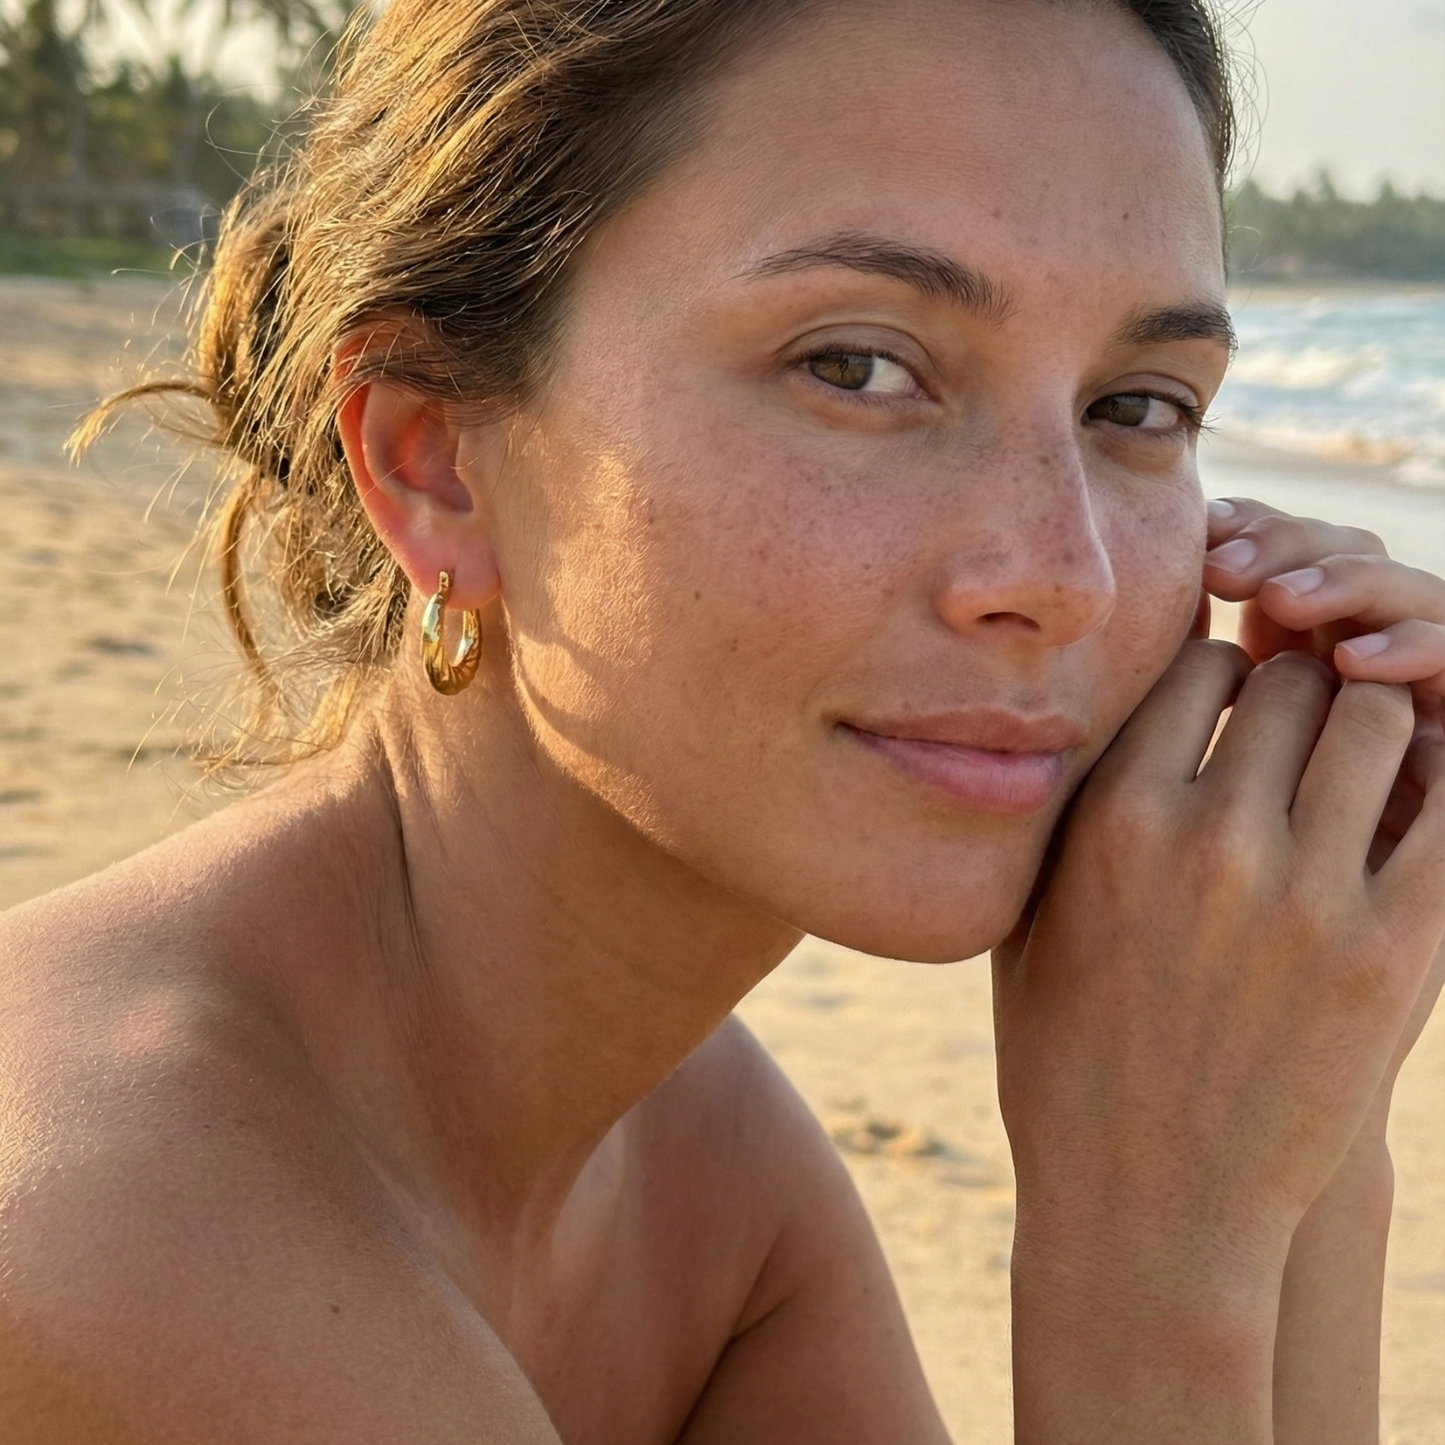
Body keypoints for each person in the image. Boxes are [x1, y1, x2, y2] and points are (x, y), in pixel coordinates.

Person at [1, 0, 1442, 1440]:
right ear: (434, 459)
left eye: (1138, 405)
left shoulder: (694, 1162)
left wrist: (1308, 1107)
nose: (1061, 577)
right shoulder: (132, 1229)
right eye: (857, 367)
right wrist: (1154, 1266)